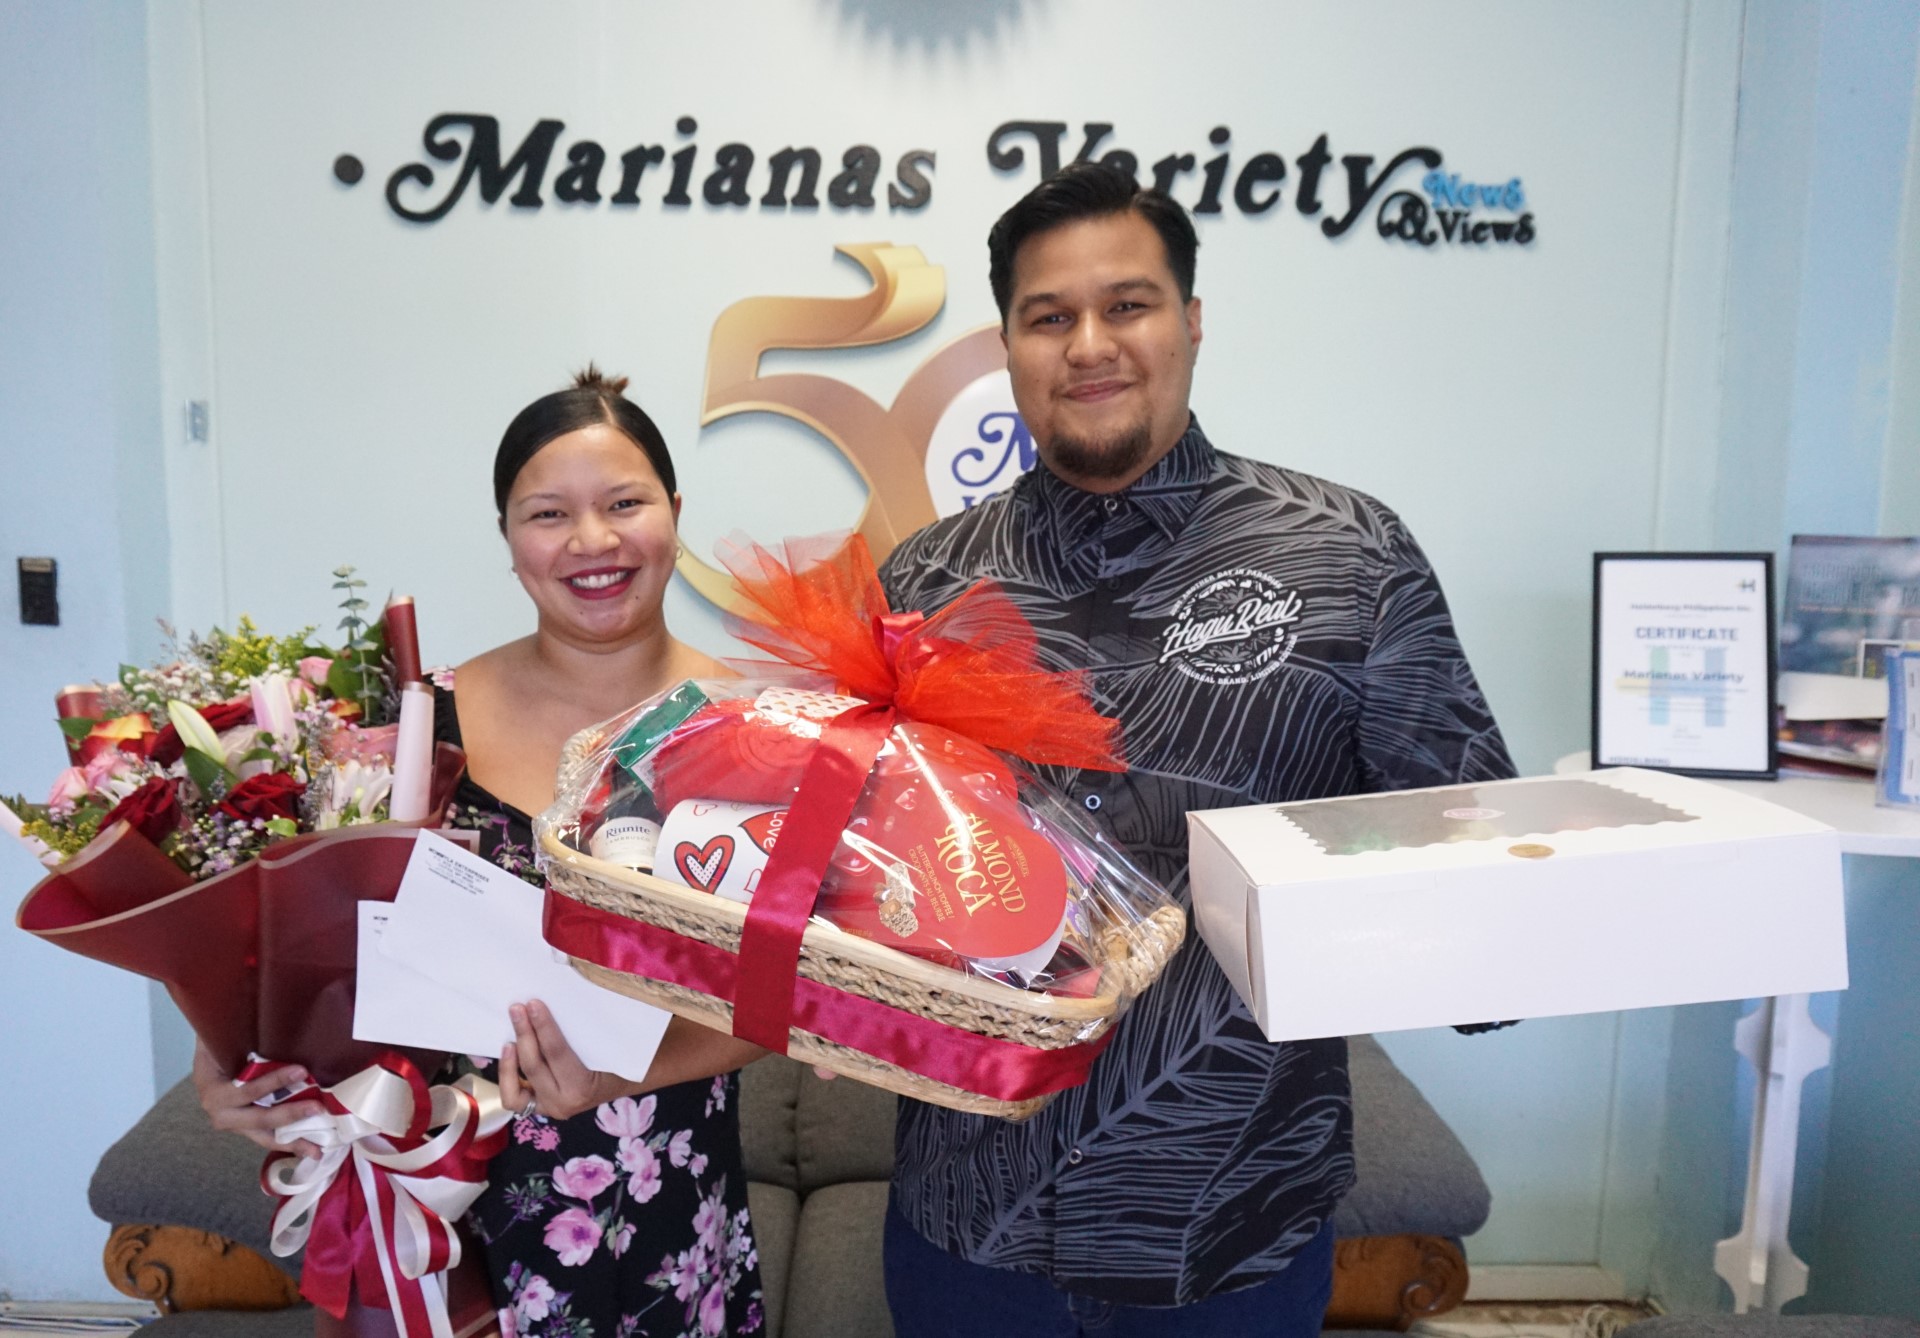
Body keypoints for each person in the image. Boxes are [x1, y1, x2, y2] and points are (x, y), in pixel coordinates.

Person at [874, 164, 1517, 1336]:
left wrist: (1519, 943)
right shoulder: (923, 584)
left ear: (1193, 321)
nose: (1089, 345)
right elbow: (866, 878)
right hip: (967, 1228)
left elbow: (1470, 854)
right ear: (1008, 345)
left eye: (1128, 305)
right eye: (1048, 316)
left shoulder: (1351, 559)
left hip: (1234, 1229)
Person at [195, 368, 768, 1337]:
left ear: (674, 512)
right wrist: (230, 1053)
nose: (592, 542)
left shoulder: (764, 733)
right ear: (508, 541)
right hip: (441, 1188)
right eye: (548, 514)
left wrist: (618, 1078)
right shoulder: (417, 719)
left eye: (624, 504)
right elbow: (316, 938)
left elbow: (811, 1001)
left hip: (665, 1182)